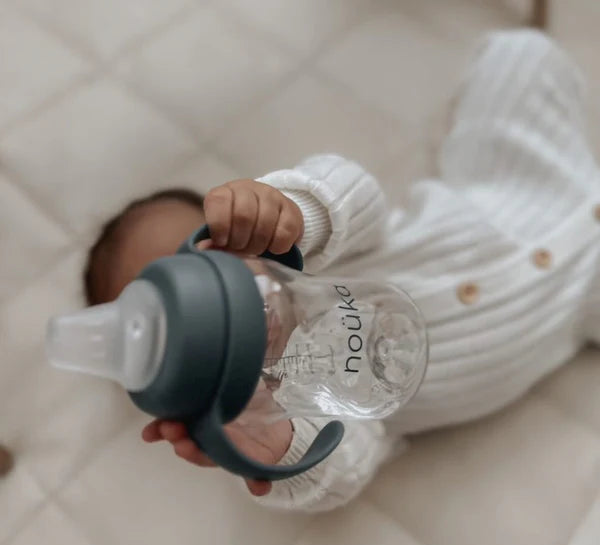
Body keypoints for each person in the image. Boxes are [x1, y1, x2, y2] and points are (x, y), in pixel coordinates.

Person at [83, 30, 600, 511]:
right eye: (179, 332)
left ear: (235, 236)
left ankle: (472, 139)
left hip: (514, 187)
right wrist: (277, 448)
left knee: (520, 54)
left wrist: (297, 211)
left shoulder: (309, 258)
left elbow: (359, 199)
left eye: (205, 266)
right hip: (579, 299)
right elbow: (346, 467)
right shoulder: (296, 403)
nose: (211, 311)